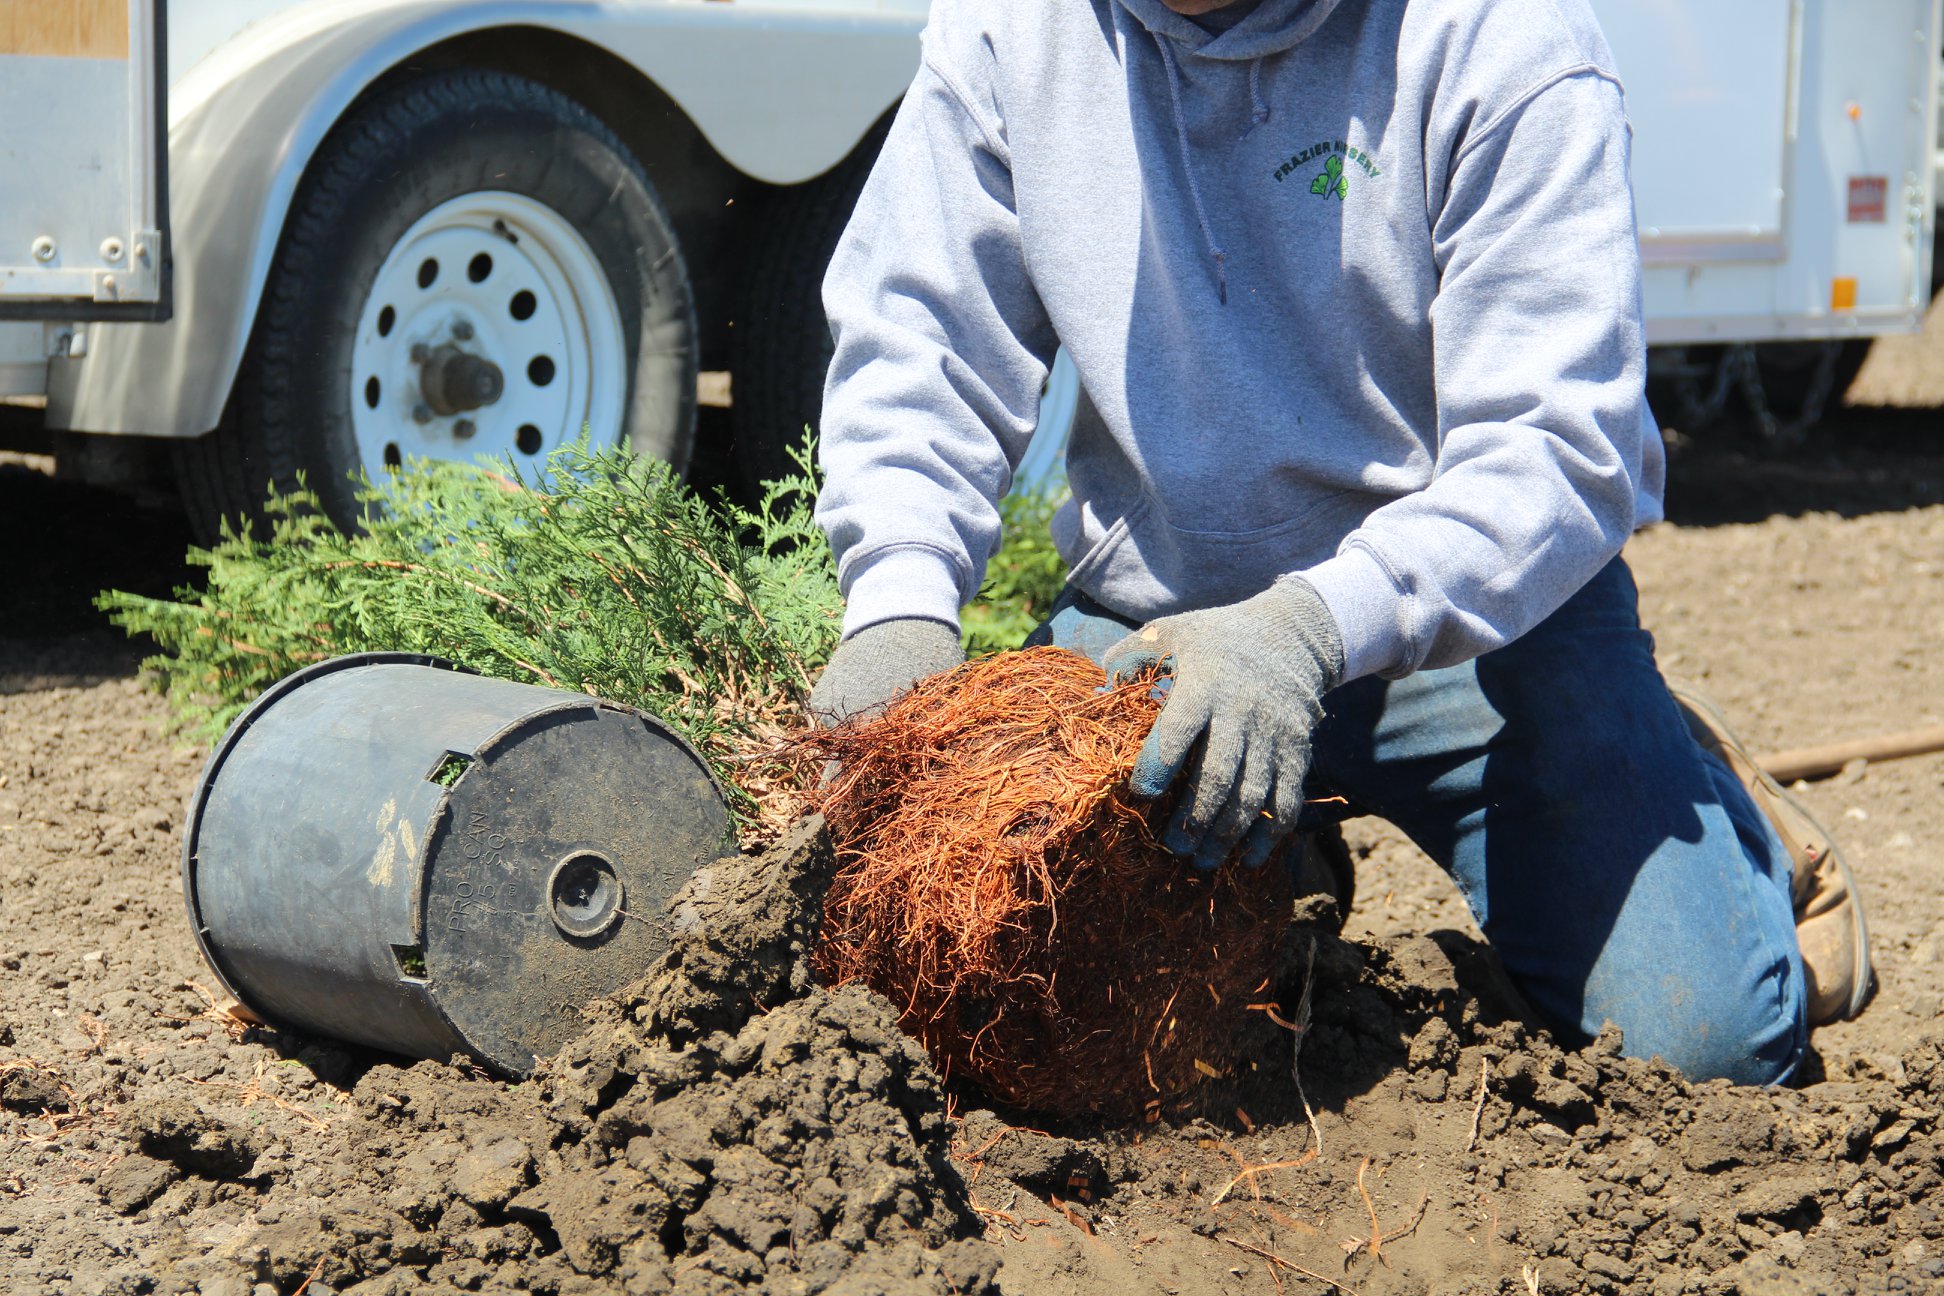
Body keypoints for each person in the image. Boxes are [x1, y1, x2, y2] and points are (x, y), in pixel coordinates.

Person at [805, 0, 1870, 1085]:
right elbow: (921, 342)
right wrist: (898, 598)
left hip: (1479, 630)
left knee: (1710, 1054)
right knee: (985, 1002)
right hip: (1159, 619)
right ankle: (1282, 856)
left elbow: (1556, 448)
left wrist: (1309, 628)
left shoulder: (1499, 34)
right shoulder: (1010, 29)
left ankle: (1719, 823)